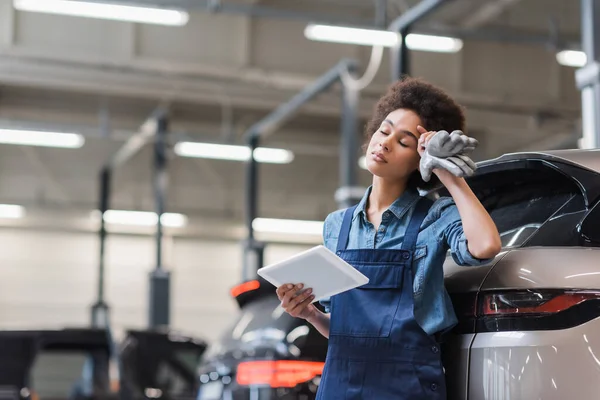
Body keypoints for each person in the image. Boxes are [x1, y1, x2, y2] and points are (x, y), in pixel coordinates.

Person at [275, 77, 502, 399]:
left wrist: (449, 177)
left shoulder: (434, 217)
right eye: (384, 130)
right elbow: (342, 332)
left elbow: (485, 247)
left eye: (404, 142)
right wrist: (309, 313)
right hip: (342, 384)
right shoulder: (336, 226)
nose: (385, 143)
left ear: (419, 160)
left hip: (408, 384)